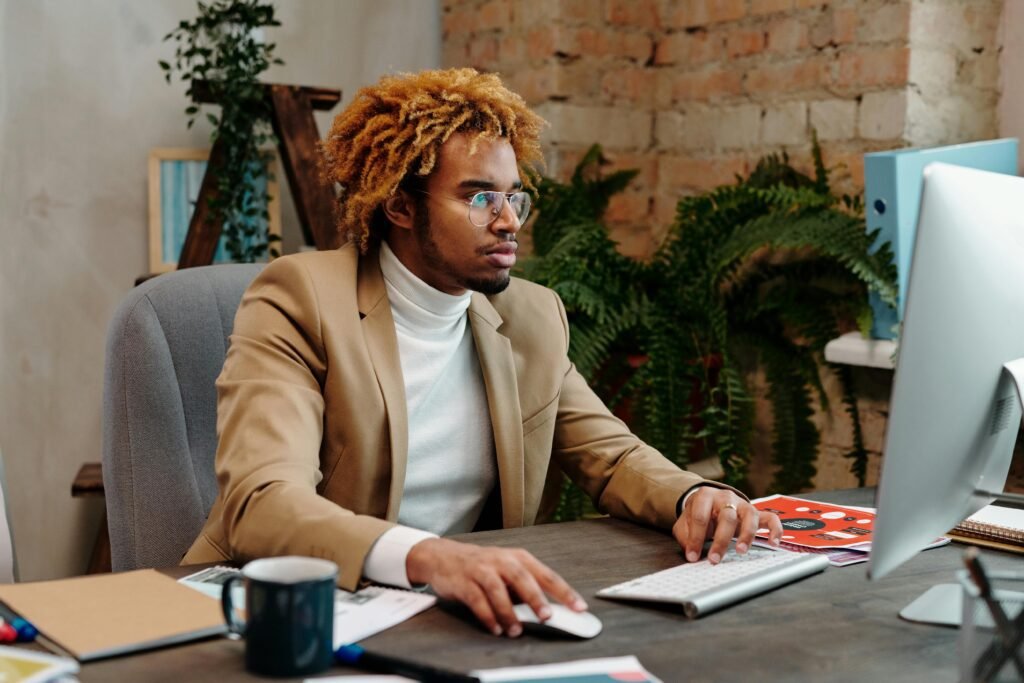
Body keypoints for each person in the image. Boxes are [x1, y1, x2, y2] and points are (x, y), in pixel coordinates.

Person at [184, 67, 783, 638]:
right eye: (478, 199)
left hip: (443, 614)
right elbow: (262, 503)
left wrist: (692, 496)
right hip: (275, 608)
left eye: (514, 198)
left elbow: (611, 454)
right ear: (399, 205)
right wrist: (429, 557)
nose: (507, 222)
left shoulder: (530, 316)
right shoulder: (301, 298)